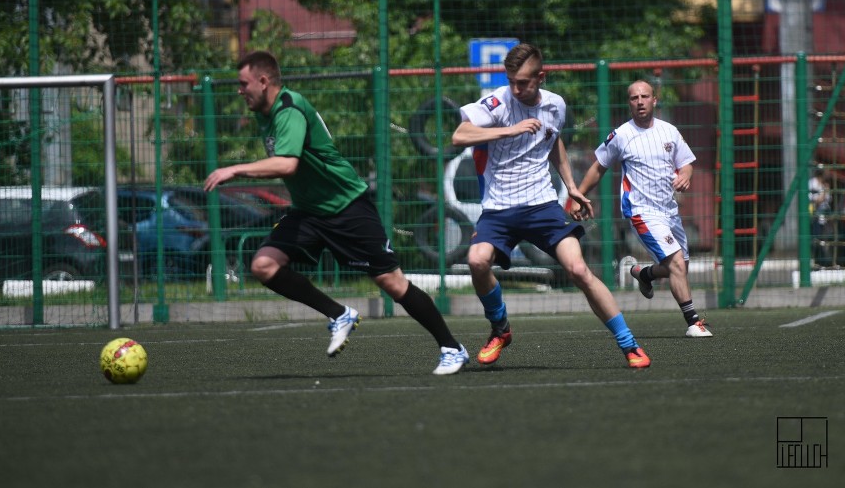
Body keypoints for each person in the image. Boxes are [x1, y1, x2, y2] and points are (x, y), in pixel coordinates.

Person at [203, 50, 469, 375]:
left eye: (243, 84)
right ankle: (338, 313)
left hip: (347, 208)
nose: (239, 90)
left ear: (263, 80)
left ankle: (452, 348)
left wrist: (235, 170)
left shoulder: (289, 109)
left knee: (393, 284)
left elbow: (287, 164)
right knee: (264, 265)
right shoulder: (266, 113)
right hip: (309, 212)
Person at [451, 43, 650, 368]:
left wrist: (572, 186)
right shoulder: (498, 102)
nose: (517, 88)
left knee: (578, 269)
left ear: (541, 77)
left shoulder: (555, 105)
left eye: (524, 82)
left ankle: (629, 344)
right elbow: (459, 135)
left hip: (541, 206)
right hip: (499, 209)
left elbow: (553, 140)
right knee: (476, 260)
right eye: (512, 80)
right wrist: (509, 129)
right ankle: (500, 328)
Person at [571, 79, 712, 337]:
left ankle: (644, 273)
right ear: (629, 103)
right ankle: (693, 322)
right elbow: (598, 166)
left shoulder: (669, 131)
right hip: (642, 211)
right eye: (634, 98)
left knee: (680, 266)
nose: (640, 102)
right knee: (677, 263)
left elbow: (687, 162)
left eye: (645, 96)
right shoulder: (621, 135)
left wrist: (686, 175)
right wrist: (579, 195)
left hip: (670, 211)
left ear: (654, 100)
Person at [808, 167, 833, 267]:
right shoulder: (812, 183)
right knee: (816, 238)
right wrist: (823, 193)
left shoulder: (825, 185)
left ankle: (823, 261)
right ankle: (815, 261)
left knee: (825, 239)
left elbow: (828, 199)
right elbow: (815, 200)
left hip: (824, 216)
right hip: (814, 215)